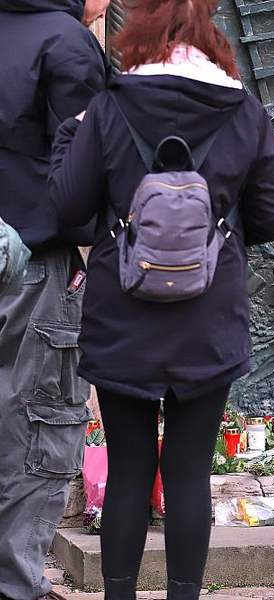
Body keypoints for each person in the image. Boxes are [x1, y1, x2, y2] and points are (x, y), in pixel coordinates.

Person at [47, 0, 274, 597]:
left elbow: (69, 210)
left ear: (140, 31)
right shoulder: (245, 112)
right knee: (188, 473)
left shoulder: (108, 109)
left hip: (122, 314)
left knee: (129, 468)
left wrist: (70, 135)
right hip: (208, 316)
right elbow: (272, 217)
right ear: (213, 39)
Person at [0, 1, 109, 598]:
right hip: (36, 263)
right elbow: (85, 167)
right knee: (37, 424)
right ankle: (14, 584)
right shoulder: (66, 42)